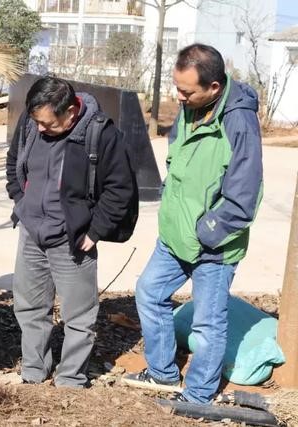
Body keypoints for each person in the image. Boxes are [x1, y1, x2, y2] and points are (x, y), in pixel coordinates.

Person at [122, 44, 263, 404]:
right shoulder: (190, 107)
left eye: (186, 90)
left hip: (214, 246)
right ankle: (162, 374)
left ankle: (199, 394)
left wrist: (206, 231)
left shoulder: (239, 122)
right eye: (176, 87)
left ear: (214, 88)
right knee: (149, 293)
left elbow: (243, 198)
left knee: (207, 324)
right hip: (174, 236)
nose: (178, 96)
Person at [5, 76, 136, 388]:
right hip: (31, 233)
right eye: (37, 121)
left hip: (73, 239)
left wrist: (95, 230)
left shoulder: (100, 133)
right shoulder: (32, 121)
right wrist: (21, 201)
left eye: (48, 124)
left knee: (79, 316)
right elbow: (14, 163)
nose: (40, 129)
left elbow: (121, 189)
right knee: (29, 308)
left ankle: (70, 379)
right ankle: (34, 373)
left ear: (71, 112)